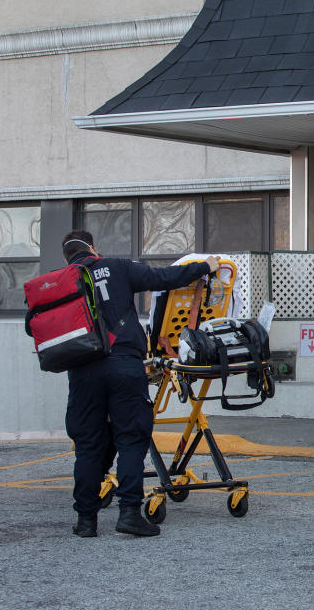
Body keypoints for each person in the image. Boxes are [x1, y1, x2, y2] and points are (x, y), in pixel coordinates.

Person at [61, 230, 219, 537]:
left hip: (82, 373)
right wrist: (204, 266)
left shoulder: (61, 281)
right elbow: (162, 278)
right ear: (93, 247)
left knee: (89, 446)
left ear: (67, 257)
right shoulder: (118, 267)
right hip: (124, 366)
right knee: (131, 438)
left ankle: (86, 521)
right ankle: (130, 513)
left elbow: (34, 325)